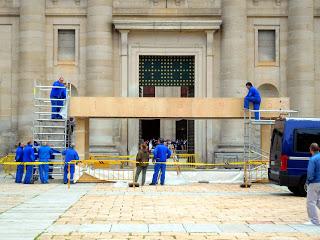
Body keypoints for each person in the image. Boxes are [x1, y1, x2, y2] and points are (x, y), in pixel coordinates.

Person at [306, 143, 320, 226]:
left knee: (310, 202)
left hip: (314, 182)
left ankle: (314, 221)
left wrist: (308, 181)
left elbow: (310, 173)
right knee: (318, 201)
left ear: (311, 150)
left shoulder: (313, 159)